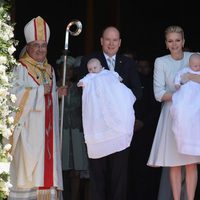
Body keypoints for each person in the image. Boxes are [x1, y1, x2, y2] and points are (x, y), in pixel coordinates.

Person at [79, 26, 142, 200]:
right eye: (108, 39)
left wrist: (119, 103)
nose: (111, 43)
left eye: (115, 40)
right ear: (101, 41)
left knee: (119, 177)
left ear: (120, 42)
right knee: (97, 176)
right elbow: (81, 92)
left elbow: (137, 91)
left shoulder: (128, 63)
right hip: (97, 129)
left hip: (120, 129)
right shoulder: (89, 61)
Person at [8, 16, 66, 200]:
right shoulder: (20, 68)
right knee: (28, 175)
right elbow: (13, 97)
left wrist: (57, 93)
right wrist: (39, 92)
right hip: (28, 134)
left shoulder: (49, 69)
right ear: (28, 46)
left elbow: (49, 98)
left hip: (47, 134)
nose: (40, 49)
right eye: (36, 45)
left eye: (43, 45)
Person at [147, 25, 200, 200]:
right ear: (166, 43)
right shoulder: (161, 61)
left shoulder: (194, 57)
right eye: (170, 41)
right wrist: (181, 96)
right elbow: (159, 94)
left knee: (191, 163)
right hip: (172, 114)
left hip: (192, 116)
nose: (175, 44)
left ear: (183, 41)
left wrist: (191, 79)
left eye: (178, 40)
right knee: (174, 164)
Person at [56, 55, 90, 200]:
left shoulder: (79, 87)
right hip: (60, 131)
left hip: (76, 131)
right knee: (61, 170)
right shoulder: (54, 86)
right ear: (59, 71)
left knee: (76, 171)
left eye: (70, 69)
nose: (68, 72)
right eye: (65, 69)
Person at [170, 53, 200, 156]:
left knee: (196, 115)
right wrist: (177, 83)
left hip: (197, 95)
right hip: (186, 95)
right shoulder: (186, 70)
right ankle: (185, 143)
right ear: (190, 64)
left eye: (199, 65)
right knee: (182, 111)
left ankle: (195, 145)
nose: (197, 68)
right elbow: (178, 76)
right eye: (195, 66)